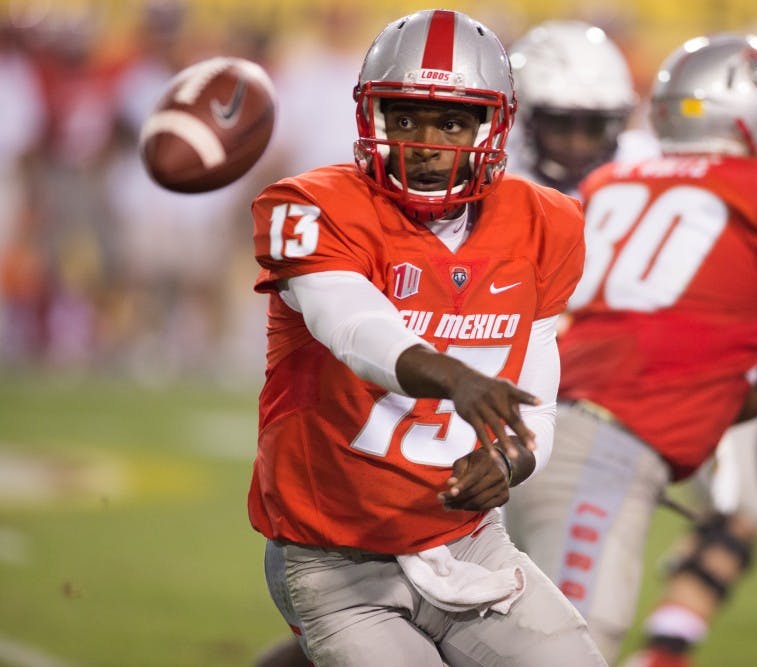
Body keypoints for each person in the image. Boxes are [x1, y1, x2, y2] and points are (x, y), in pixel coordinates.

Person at [502, 32, 757, 665]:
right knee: (565, 647)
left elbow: (690, 375)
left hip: (551, 419)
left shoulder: (621, 179)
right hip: (597, 446)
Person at [246, 10, 606, 666]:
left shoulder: (544, 222)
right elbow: (352, 325)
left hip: (467, 540)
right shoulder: (314, 205)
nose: (427, 141)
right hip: (335, 555)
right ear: (372, 118)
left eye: (451, 121)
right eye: (405, 118)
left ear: (490, 126)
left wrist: (510, 462)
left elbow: (536, 405)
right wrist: (451, 375)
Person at [505, 19, 643, 195]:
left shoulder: (640, 164)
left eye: (596, 127)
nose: (578, 145)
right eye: (560, 126)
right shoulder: (495, 176)